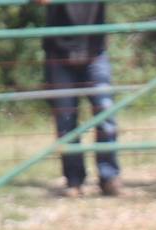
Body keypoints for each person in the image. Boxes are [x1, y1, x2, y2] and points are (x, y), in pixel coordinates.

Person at [38, 0, 121, 197]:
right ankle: (74, 180)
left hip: (94, 50)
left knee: (105, 112)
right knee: (66, 120)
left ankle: (108, 176)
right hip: (59, 51)